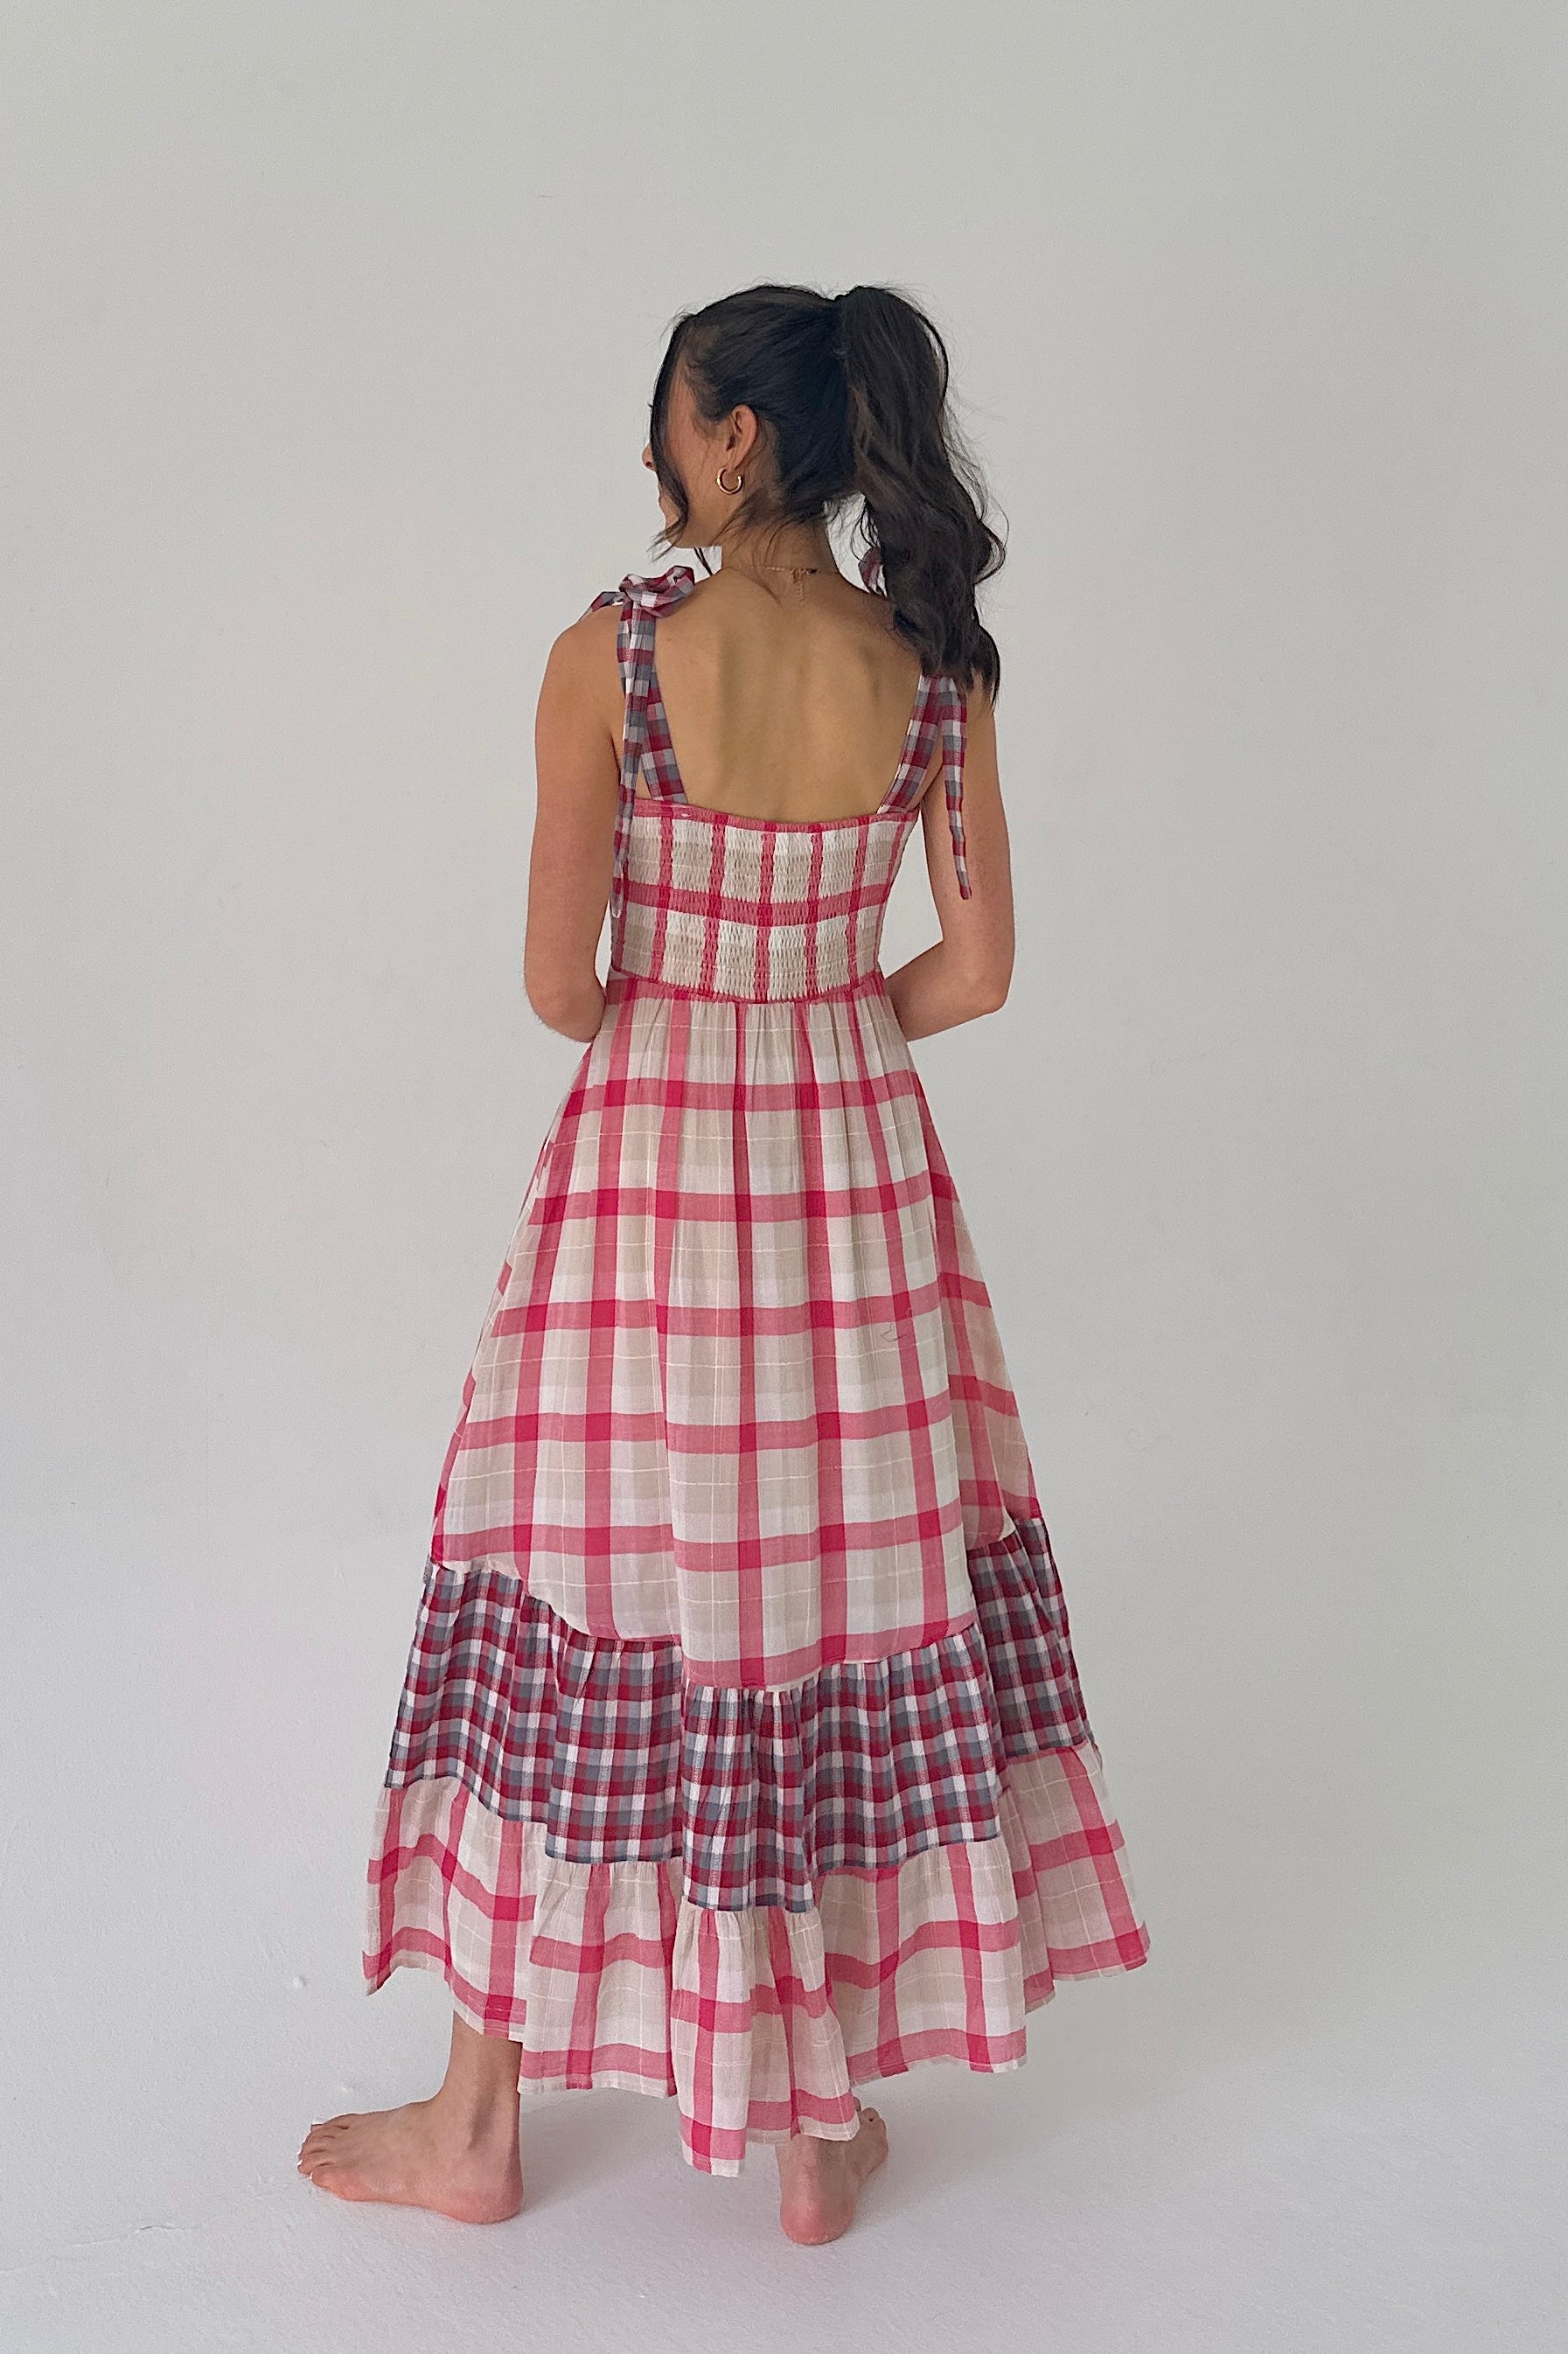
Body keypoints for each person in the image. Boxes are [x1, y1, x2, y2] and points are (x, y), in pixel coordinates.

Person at [297, 281, 1150, 2246]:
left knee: (572, 1585)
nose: (657, 449)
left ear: (733, 433)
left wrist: (704, 1018)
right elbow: (976, 970)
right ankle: (810, 2136)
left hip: (653, 1178)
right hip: (855, 1180)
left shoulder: (609, 656)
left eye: (672, 416)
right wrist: (813, 1021)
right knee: (831, 1605)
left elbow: (556, 984)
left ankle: (479, 2124)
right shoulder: (932, 669)